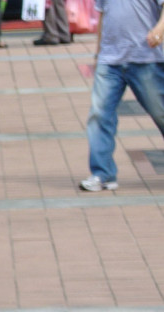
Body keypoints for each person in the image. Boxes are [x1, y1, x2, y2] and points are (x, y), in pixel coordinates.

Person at [78, 0, 164, 189]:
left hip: (146, 59)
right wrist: (98, 54)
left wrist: (160, 28)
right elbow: (103, 15)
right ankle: (102, 174)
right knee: (99, 116)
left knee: (161, 113)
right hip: (109, 61)